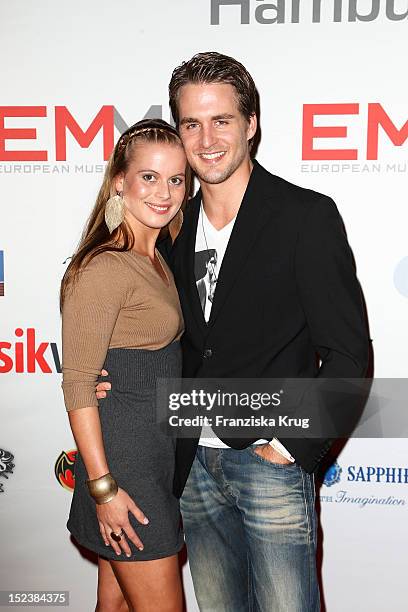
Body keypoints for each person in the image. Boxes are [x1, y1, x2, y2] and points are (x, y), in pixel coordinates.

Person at [97, 53, 370, 611]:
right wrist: (114, 379)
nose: (206, 138)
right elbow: (162, 340)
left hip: (270, 462)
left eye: (221, 120)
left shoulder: (304, 216)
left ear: (251, 124)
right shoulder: (168, 225)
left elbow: (348, 354)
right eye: (191, 123)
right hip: (190, 465)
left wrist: (292, 449)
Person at [60, 118, 191, 612]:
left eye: (176, 179)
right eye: (149, 176)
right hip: (125, 471)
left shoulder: (156, 259)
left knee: (112, 608)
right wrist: (103, 488)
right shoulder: (106, 266)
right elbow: (77, 384)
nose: (164, 192)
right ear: (120, 180)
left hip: (151, 458)